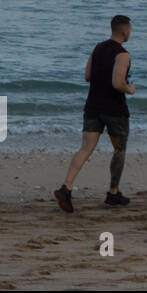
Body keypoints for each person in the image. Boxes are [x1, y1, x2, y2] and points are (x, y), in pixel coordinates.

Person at [54, 15, 135, 212]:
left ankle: (66, 187)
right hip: (114, 110)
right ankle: (113, 193)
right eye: (130, 30)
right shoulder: (122, 54)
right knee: (119, 150)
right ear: (124, 31)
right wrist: (129, 88)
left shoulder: (97, 48)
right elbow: (117, 84)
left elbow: (87, 76)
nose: (130, 33)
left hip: (92, 106)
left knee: (85, 148)